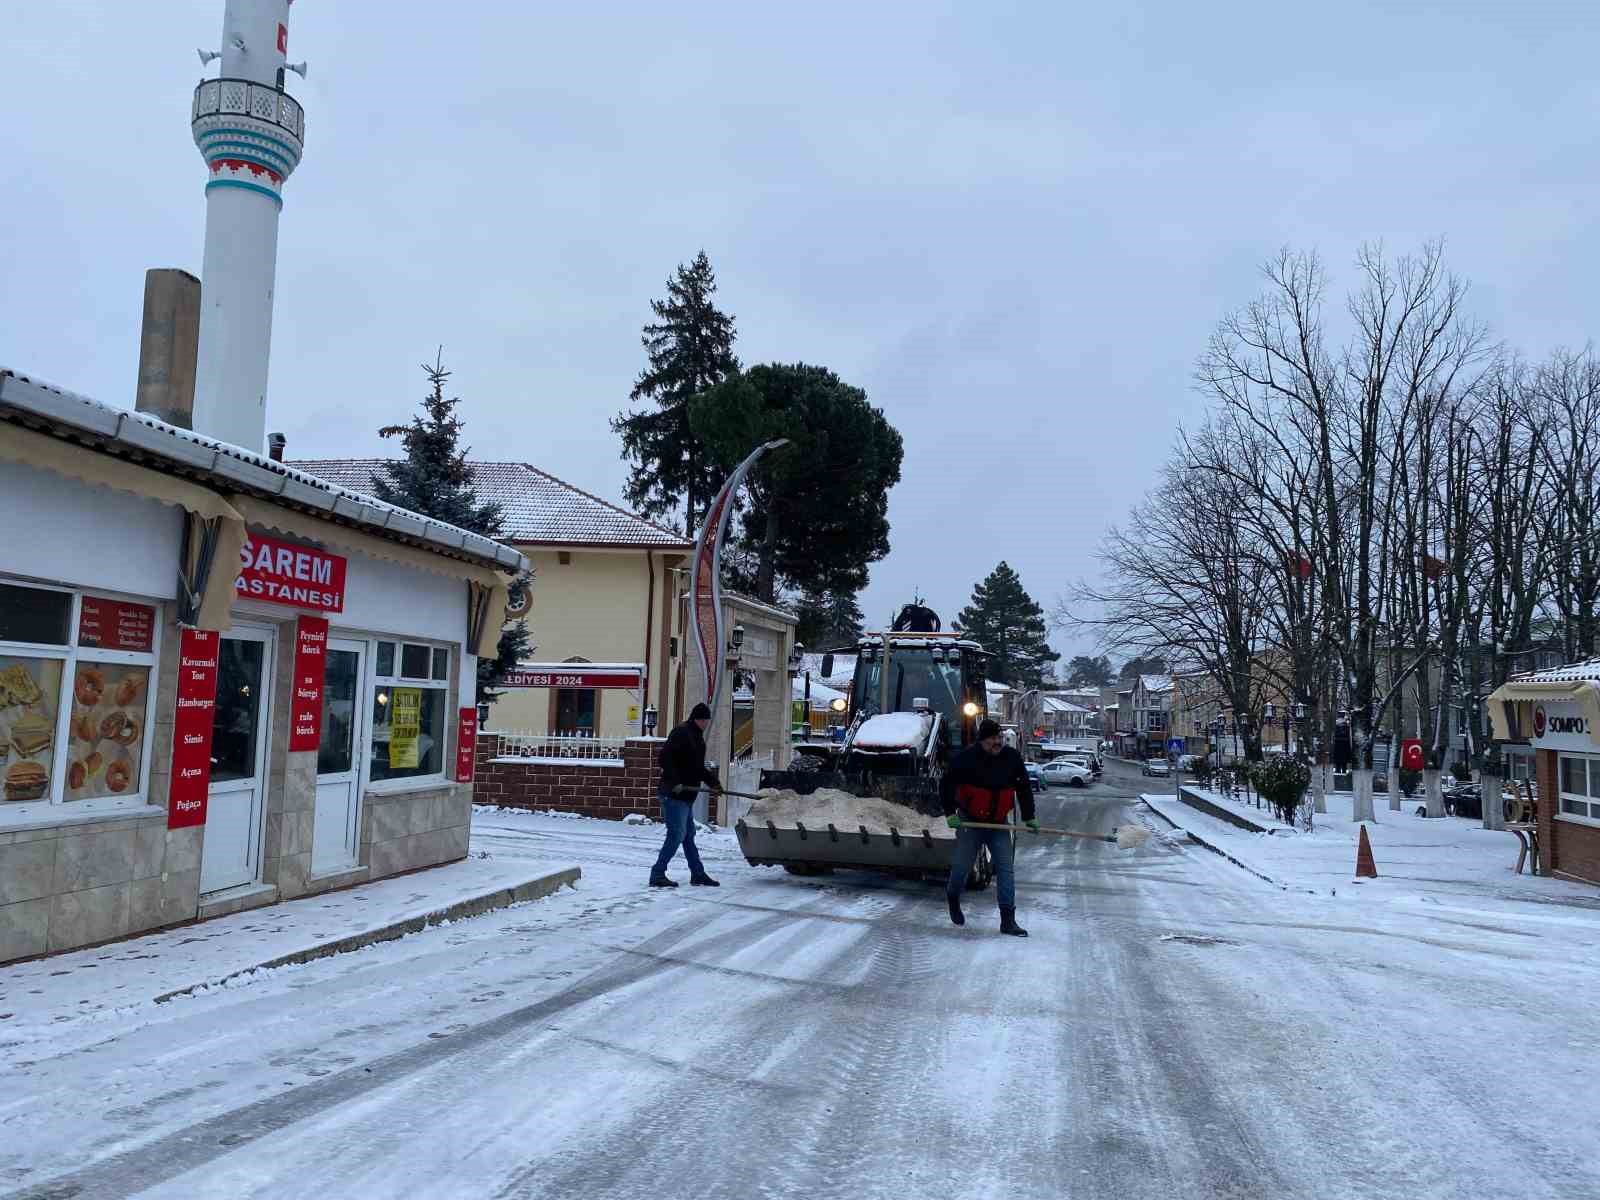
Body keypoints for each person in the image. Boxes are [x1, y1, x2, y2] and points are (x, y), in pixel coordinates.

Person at [942, 718, 1038, 936]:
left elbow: (1023, 787)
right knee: (961, 868)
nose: (998, 742)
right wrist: (949, 813)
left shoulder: (1010, 758)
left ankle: (1008, 921)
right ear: (982, 740)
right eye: (993, 739)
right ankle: (953, 896)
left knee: (1006, 870)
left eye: (1000, 738)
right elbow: (946, 783)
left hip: (998, 824)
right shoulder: (966, 758)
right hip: (971, 822)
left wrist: (1029, 816)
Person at [650, 702, 723, 888]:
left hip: (686, 797)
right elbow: (664, 758)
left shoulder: (697, 737)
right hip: (673, 795)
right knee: (677, 834)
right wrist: (675, 782)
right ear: (700, 719)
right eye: (706, 720)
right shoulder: (681, 733)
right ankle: (657, 874)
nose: (707, 723)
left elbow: (697, 768)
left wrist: (714, 783)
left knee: (688, 835)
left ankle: (697, 874)